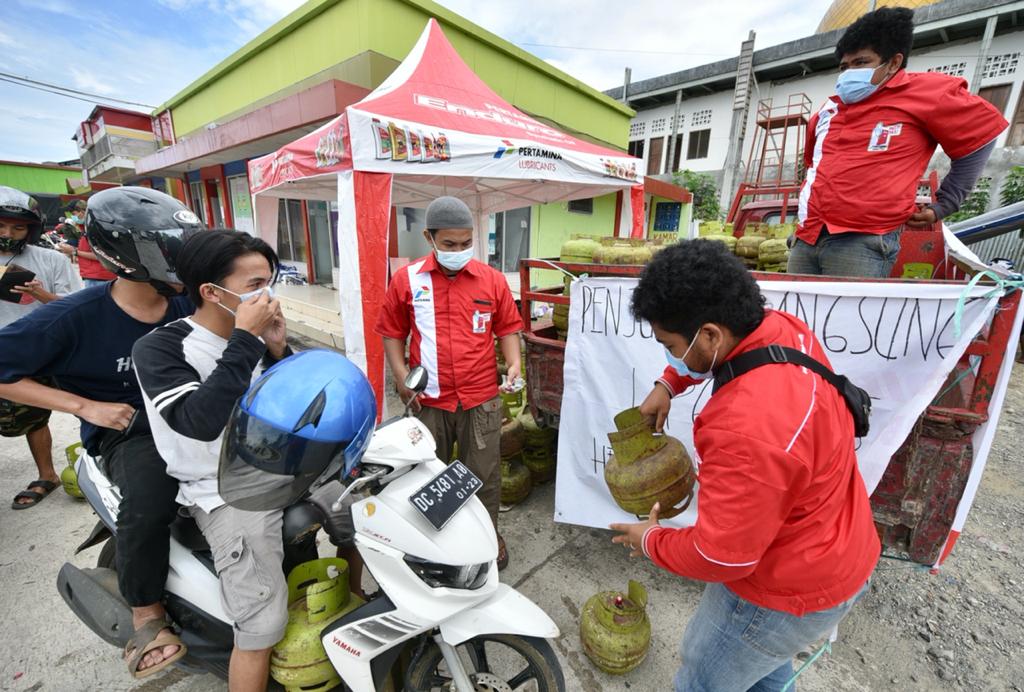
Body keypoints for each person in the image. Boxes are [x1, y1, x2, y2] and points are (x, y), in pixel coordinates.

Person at [611, 240, 880, 691]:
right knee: (762, 674)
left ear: (711, 335)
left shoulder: (744, 428)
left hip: (783, 589)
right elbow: (710, 355)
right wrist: (669, 381)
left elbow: (719, 556)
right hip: (838, 549)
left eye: (671, 346)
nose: (670, 355)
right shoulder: (783, 330)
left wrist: (652, 541)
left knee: (704, 680)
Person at [133, 230, 374, 691]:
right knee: (263, 621)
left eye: (271, 282)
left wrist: (280, 351)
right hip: (225, 489)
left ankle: (353, 598)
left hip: (287, 469)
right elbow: (199, 421)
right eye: (255, 285)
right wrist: (246, 340)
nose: (268, 297)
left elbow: (301, 406)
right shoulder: (163, 348)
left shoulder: (260, 339)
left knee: (358, 513)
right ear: (211, 292)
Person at [0, 187, 200, 678]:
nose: (180, 260)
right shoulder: (72, 316)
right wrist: (84, 406)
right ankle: (146, 614)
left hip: (197, 412)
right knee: (150, 502)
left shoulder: (192, 300)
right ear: (126, 254)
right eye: (166, 249)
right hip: (128, 429)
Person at [788, 7, 1009, 278]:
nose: (848, 74)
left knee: (846, 319)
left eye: (860, 63)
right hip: (807, 235)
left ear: (893, 63)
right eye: (844, 67)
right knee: (796, 317)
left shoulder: (926, 94)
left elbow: (981, 135)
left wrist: (946, 203)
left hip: (862, 241)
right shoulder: (829, 110)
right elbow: (813, 169)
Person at [376, 196, 522, 570]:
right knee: (429, 475)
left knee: (483, 476)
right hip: (428, 401)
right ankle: (437, 543)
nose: (459, 251)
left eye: (465, 244)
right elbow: (392, 332)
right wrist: (399, 376)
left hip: (481, 399)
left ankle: (488, 535)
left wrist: (515, 363)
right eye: (449, 245)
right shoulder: (407, 280)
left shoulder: (490, 280)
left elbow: (507, 328)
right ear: (429, 237)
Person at [1, 186, 76, 509]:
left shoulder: (50, 260)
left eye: (17, 227)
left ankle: (47, 474)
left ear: (30, 229)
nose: (8, 234)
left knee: (35, 417)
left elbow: (76, 305)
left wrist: (43, 296)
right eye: (1, 227)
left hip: (32, 351)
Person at [58, 200, 117, 287]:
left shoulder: (94, 228)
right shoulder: (86, 227)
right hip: (94, 276)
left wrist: (74, 252)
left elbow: (101, 255)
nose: (73, 217)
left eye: (74, 214)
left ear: (82, 211)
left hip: (99, 277)